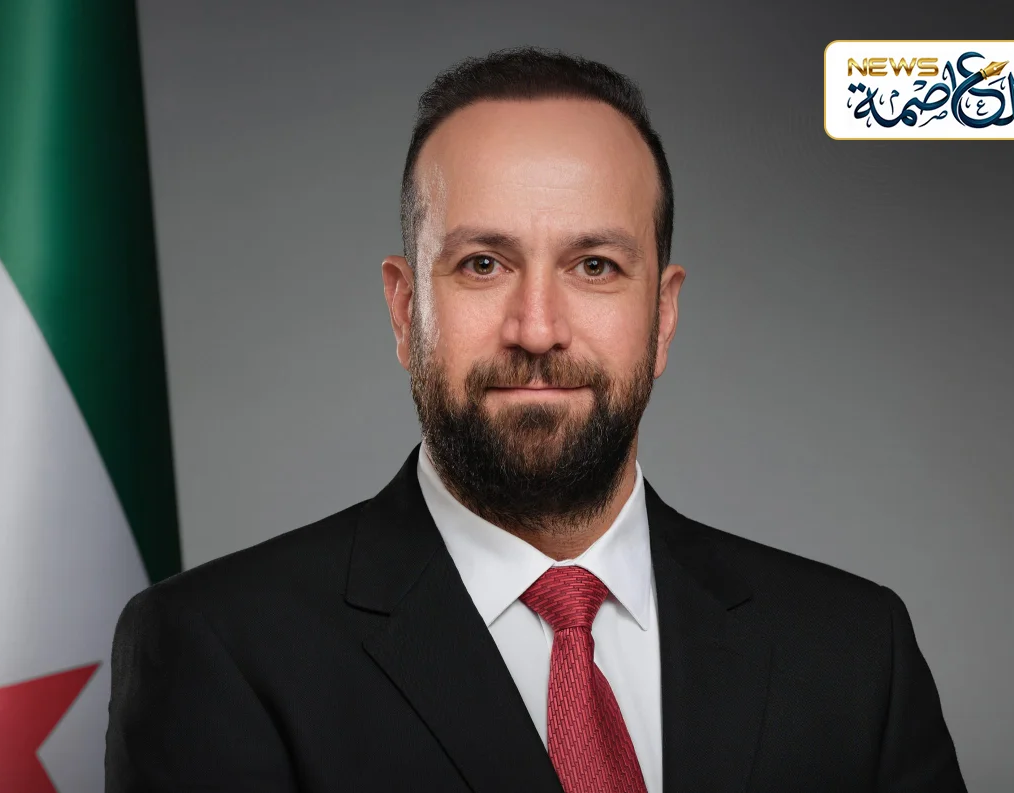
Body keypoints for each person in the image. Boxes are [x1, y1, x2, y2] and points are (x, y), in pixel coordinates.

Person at [104, 47, 966, 793]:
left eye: (595, 266)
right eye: (484, 264)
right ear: (405, 311)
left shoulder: (855, 652)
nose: (538, 328)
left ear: (663, 316)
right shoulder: (217, 649)